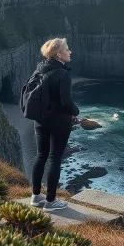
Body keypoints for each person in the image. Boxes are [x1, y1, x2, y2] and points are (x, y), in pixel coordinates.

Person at [30, 37, 79, 210]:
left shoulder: (40, 69)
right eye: (67, 49)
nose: (70, 51)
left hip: (40, 120)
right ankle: (50, 202)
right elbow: (66, 102)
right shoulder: (63, 74)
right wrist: (75, 112)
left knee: (41, 155)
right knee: (55, 158)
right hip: (58, 122)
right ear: (59, 54)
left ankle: (36, 197)